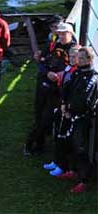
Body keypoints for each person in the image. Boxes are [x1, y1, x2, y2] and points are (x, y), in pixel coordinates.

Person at [24, 23, 77, 157]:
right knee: (39, 115)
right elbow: (41, 62)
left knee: (47, 118)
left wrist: (60, 75)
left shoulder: (75, 49)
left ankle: (31, 142)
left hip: (58, 90)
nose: (61, 36)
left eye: (64, 33)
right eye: (59, 33)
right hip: (44, 84)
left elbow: (74, 67)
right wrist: (47, 73)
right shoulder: (52, 44)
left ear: (71, 33)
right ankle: (36, 145)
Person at [60, 47, 98, 193]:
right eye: (78, 57)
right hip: (70, 115)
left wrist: (70, 110)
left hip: (82, 118)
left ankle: (84, 180)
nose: (79, 60)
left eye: (82, 58)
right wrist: (64, 105)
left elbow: (85, 100)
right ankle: (73, 170)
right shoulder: (77, 72)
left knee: (81, 148)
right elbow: (67, 89)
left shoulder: (93, 77)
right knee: (70, 144)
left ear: (90, 60)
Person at [43, 45, 80, 178]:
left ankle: (63, 166)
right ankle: (57, 160)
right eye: (71, 55)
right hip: (61, 104)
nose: (72, 58)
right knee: (57, 134)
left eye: (75, 56)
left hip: (68, 109)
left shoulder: (78, 71)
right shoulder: (69, 68)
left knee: (65, 137)